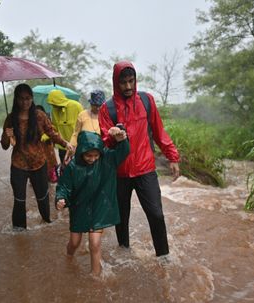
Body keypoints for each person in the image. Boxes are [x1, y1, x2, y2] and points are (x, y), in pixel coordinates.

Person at [98, 61, 180, 257]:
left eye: (131, 81)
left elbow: (159, 132)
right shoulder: (107, 108)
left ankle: (164, 258)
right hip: (119, 172)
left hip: (145, 169)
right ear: (115, 83)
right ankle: (124, 255)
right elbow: (104, 141)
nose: (128, 87)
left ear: (135, 80)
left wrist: (172, 156)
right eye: (123, 83)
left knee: (156, 215)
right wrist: (113, 136)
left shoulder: (146, 101)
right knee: (121, 218)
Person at [55, 128, 129, 275]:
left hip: (99, 206)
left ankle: (95, 277)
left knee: (95, 244)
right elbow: (63, 186)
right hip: (79, 207)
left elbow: (123, 152)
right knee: (74, 243)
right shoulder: (73, 167)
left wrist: (121, 140)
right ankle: (68, 257)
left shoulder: (106, 159)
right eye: (89, 155)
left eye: (96, 155)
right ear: (81, 151)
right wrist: (60, 198)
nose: (92, 159)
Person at [1, 84, 74, 230]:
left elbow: (52, 133)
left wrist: (66, 143)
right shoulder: (11, 119)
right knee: (19, 200)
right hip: (18, 165)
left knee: (42, 198)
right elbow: (4, 145)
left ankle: (46, 222)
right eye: (21, 99)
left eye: (27, 98)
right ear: (16, 99)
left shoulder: (39, 116)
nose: (24, 102)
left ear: (32, 99)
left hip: (39, 163)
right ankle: (19, 231)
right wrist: (6, 135)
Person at [65, 89, 106, 162]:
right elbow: (76, 133)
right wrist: (71, 147)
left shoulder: (106, 116)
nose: (98, 108)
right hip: (84, 153)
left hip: (99, 154)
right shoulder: (82, 115)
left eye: (100, 105)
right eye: (95, 105)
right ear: (91, 104)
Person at [46, 89, 84, 166]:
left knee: (79, 169)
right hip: (63, 147)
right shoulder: (54, 111)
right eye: (52, 104)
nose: (53, 106)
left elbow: (84, 125)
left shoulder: (76, 106)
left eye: (54, 103)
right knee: (65, 169)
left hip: (77, 146)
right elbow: (55, 127)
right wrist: (47, 134)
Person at [36, 105, 58, 183]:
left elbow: (53, 131)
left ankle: (51, 176)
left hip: (48, 146)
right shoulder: (31, 121)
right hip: (38, 147)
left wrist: (47, 135)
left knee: (50, 162)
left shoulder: (47, 119)